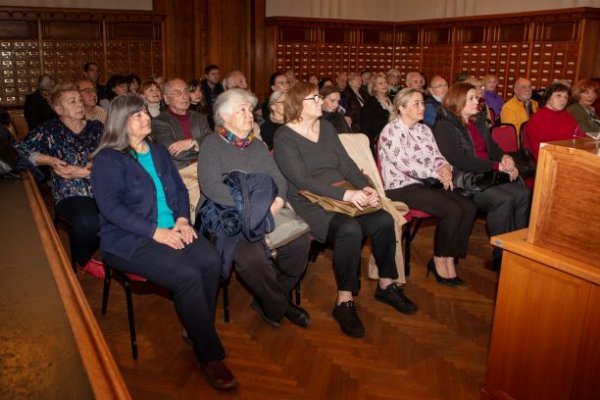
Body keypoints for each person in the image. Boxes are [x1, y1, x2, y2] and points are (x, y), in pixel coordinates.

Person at [90, 94, 237, 391]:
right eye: (138, 115)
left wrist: (183, 219)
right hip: (129, 239)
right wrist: (156, 232)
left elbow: (181, 191)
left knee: (211, 261)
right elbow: (111, 209)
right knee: (187, 275)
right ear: (122, 123)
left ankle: (196, 328)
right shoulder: (108, 159)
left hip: (174, 227)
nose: (147, 118)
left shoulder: (157, 152)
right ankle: (210, 354)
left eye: (146, 112)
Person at [274, 82, 417, 339]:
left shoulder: (327, 128)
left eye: (319, 97)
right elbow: (302, 179)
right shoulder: (284, 136)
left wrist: (368, 187)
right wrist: (348, 194)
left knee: (384, 219)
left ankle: (386, 284)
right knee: (349, 229)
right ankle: (345, 301)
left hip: (342, 193)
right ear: (297, 104)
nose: (320, 101)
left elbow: (349, 165)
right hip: (310, 201)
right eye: (314, 98)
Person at [197, 88, 310, 328]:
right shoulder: (212, 144)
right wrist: (251, 208)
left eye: (250, 109)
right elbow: (211, 187)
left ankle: (268, 297)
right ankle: (278, 304)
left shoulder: (257, 146)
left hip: (266, 209)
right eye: (242, 110)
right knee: (252, 259)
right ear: (224, 116)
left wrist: (278, 201)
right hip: (227, 214)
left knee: (300, 242)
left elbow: (278, 179)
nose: (250, 114)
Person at [379, 88, 476, 285]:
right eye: (416, 103)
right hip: (400, 186)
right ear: (402, 108)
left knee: (469, 207)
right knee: (452, 210)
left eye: (422, 103)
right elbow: (405, 165)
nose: (422, 107)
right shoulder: (390, 132)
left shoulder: (424, 129)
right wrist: (435, 173)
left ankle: (450, 257)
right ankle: (439, 259)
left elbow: (436, 155)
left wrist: (444, 167)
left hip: (424, 184)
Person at [433, 83, 530, 270]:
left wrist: (505, 158)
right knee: (504, 200)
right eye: (471, 98)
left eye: (475, 98)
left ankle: (517, 249)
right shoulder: (445, 126)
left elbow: (492, 146)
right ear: (458, 101)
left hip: (487, 174)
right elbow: (459, 159)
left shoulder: (476, 121)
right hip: (466, 180)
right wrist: (496, 166)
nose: (476, 101)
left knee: (523, 194)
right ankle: (500, 255)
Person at [17, 82, 104, 277]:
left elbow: (112, 154)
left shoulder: (97, 128)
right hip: (70, 192)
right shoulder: (49, 130)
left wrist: (88, 170)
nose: (79, 105)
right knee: (89, 221)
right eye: (72, 102)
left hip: (101, 185)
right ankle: (83, 260)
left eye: (79, 101)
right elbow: (20, 150)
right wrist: (49, 160)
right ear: (58, 109)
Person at [152, 78, 212, 168]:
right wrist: (201, 146)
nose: (184, 97)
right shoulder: (160, 122)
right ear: (166, 99)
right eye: (178, 93)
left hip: (206, 166)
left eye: (186, 92)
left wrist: (193, 142)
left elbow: (212, 141)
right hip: (181, 171)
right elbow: (175, 154)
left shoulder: (200, 117)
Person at [524, 82, 584, 161]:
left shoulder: (567, 116)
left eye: (566, 97)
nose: (563, 100)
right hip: (549, 161)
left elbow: (580, 136)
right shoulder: (538, 119)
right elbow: (538, 150)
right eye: (558, 95)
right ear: (548, 97)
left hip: (569, 156)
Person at [361, 72, 393, 151]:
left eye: (385, 82)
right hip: (379, 138)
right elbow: (366, 125)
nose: (384, 85)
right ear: (374, 87)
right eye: (380, 83)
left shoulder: (391, 99)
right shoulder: (370, 102)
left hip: (393, 135)